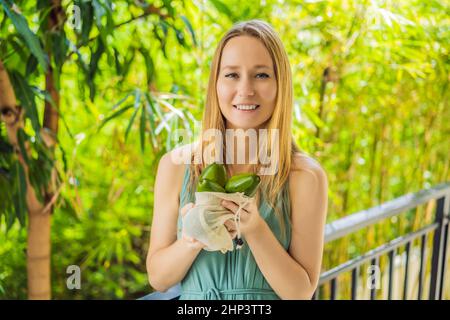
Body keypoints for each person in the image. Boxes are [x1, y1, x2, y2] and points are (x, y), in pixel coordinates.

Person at [146, 19, 328, 300]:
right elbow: (158, 278)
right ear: (215, 84)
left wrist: (254, 228)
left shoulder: (305, 176)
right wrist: (193, 238)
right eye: (231, 75)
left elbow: (300, 292)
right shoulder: (175, 166)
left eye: (262, 75)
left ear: (281, 85)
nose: (246, 89)